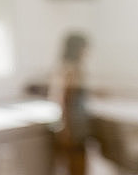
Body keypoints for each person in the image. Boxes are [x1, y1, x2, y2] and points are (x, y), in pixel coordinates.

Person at [49, 32, 90, 175]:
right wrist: (66, 129)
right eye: (85, 48)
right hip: (72, 125)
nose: (87, 51)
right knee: (76, 164)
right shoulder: (70, 69)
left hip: (75, 123)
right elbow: (64, 99)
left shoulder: (69, 67)